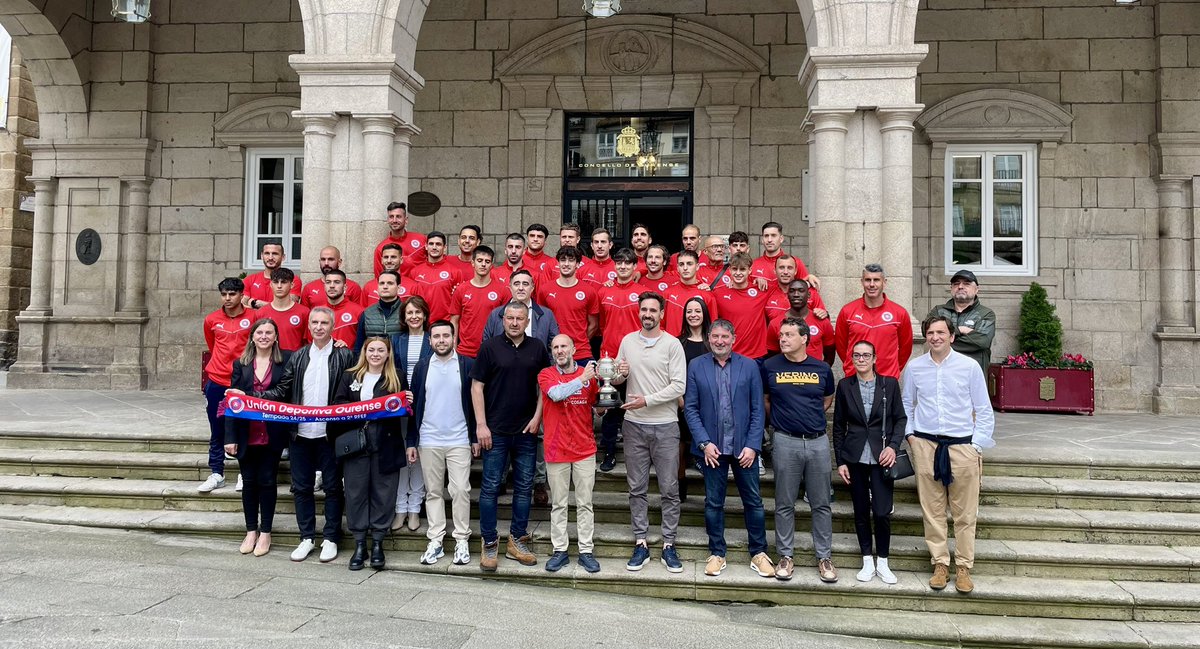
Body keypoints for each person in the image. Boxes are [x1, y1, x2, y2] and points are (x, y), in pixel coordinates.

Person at [244, 307, 355, 564]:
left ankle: (331, 538)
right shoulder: (299, 355)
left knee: (332, 488)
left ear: (332, 326)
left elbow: (352, 388)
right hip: (300, 433)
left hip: (330, 434)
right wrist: (252, 398)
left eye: (324, 323)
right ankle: (306, 537)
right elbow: (283, 389)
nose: (318, 327)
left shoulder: (345, 354)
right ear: (308, 326)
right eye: (314, 322)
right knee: (302, 488)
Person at [902, 315, 995, 594]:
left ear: (952, 336)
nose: (936, 337)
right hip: (926, 445)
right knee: (932, 510)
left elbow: (984, 408)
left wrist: (975, 445)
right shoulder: (915, 367)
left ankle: (964, 567)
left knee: (965, 513)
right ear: (925, 337)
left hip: (961, 446)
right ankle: (940, 563)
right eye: (930, 332)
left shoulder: (969, 367)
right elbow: (907, 403)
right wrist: (911, 436)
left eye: (941, 332)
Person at [683, 319, 773, 578]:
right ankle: (716, 553)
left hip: (744, 449)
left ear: (734, 338)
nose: (720, 341)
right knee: (713, 502)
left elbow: (758, 410)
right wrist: (703, 442)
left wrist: (753, 446)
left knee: (754, 501)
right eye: (715, 337)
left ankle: (759, 553)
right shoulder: (696, 365)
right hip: (712, 449)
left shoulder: (750, 366)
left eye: (725, 336)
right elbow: (690, 408)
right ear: (709, 338)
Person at [471, 302, 551, 571]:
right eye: (510, 318)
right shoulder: (490, 347)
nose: (514, 322)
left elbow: (544, 385)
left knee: (524, 488)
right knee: (491, 487)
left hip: (526, 431)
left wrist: (538, 417)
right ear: (502, 319)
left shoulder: (538, 348)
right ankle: (490, 541)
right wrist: (481, 425)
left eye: (520, 318)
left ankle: (517, 540)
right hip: (495, 431)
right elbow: (477, 387)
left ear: (527, 321)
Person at [613, 292, 687, 573]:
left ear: (662, 314)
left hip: (665, 425)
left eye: (652, 310)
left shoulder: (672, 345)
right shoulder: (627, 342)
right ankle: (641, 542)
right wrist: (619, 373)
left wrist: (648, 399)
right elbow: (618, 378)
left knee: (669, 488)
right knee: (636, 488)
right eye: (643, 309)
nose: (647, 314)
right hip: (633, 425)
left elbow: (678, 386)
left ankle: (669, 544)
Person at [763, 317, 837, 583]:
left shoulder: (821, 368)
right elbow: (766, 400)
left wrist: (809, 418)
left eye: (789, 335)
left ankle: (824, 557)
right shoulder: (770, 366)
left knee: (821, 503)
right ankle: (785, 555)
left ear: (804, 338)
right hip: (785, 440)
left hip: (817, 442)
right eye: (781, 335)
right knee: (784, 502)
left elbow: (827, 399)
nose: (783, 339)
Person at [832, 341, 907, 585]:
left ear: (875, 358)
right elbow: (839, 426)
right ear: (852, 359)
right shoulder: (845, 385)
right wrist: (840, 460)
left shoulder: (889, 384)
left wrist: (893, 447)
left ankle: (883, 561)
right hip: (854, 457)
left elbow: (900, 419)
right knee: (861, 510)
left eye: (866, 355)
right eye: (857, 355)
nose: (861, 359)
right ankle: (867, 559)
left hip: (881, 457)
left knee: (882, 511)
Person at [331, 336, 408, 570]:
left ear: (388, 354)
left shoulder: (397, 378)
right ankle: (359, 544)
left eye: (381, 350)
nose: (375, 354)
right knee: (355, 494)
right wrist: (361, 411)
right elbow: (338, 405)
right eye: (371, 349)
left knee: (383, 493)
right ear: (364, 352)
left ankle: (377, 543)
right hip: (356, 445)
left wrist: (408, 401)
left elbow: (404, 410)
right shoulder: (349, 375)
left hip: (385, 444)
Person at [408, 320, 479, 566]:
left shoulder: (467, 364)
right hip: (429, 439)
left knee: (460, 490)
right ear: (430, 340)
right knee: (433, 492)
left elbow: (475, 403)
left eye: (445, 336)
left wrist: (474, 437)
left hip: (459, 438)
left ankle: (461, 539)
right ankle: (436, 540)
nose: (441, 340)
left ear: (453, 337)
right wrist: (411, 441)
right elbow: (414, 406)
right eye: (436, 336)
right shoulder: (422, 366)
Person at [223, 318, 290, 556]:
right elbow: (233, 402)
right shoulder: (240, 365)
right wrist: (229, 437)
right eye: (259, 332)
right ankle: (251, 530)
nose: (264, 336)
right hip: (245, 432)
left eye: (268, 332)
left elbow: (283, 395)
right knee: (249, 483)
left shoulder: (286, 361)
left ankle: (266, 533)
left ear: (275, 337)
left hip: (272, 433)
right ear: (252, 336)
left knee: (267, 481)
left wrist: (249, 394)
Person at [537, 334, 602, 574]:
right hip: (556, 449)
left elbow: (596, 402)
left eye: (564, 346)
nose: (560, 350)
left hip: (584, 448)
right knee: (559, 504)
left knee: (585, 503)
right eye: (555, 347)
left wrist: (602, 407)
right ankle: (560, 551)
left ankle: (586, 551)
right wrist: (582, 378)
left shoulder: (589, 376)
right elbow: (555, 394)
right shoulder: (546, 374)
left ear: (574, 349)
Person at [200, 277, 253, 493]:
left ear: (241, 295)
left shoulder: (254, 316)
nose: (228, 298)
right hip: (217, 382)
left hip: (243, 382)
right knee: (217, 427)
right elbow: (212, 345)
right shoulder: (212, 319)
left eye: (232, 294)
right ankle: (216, 472)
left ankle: (244, 473)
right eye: (224, 294)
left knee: (244, 427)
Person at [595, 248, 646, 472]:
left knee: (638, 405)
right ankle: (609, 452)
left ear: (635, 267)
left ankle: (644, 452)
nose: (623, 267)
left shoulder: (642, 292)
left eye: (627, 263)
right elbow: (600, 324)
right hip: (610, 359)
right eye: (619, 263)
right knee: (611, 407)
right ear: (614, 266)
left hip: (638, 358)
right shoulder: (602, 292)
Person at [391, 295, 432, 531]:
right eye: (410, 313)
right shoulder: (397, 340)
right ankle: (400, 509)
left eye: (418, 312)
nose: (414, 317)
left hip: (425, 406)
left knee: (419, 458)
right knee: (402, 459)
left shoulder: (432, 339)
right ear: (404, 318)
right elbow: (392, 371)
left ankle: (415, 508)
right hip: (400, 407)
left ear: (425, 315)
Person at [836, 263, 914, 378]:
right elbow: (841, 346)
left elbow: (905, 348)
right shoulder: (847, 311)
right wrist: (854, 367)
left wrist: (892, 370)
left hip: (887, 378)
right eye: (868, 280)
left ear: (884, 282)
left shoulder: (899, 313)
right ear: (862, 282)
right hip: (854, 378)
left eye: (876, 280)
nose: (872, 284)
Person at [676, 296, 712, 500]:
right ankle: (680, 490)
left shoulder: (712, 342)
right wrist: (682, 401)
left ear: (704, 313)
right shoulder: (677, 342)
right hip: (681, 404)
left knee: (708, 446)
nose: (693, 315)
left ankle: (711, 491)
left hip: (707, 406)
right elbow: (672, 374)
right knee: (680, 449)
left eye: (697, 311)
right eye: (689, 311)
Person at [537, 246, 599, 366]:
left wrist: (578, 342)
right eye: (563, 260)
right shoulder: (545, 290)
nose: (566, 264)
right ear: (558, 263)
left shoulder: (589, 291)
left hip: (582, 353)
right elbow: (541, 321)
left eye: (571, 260)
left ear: (577, 264)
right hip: (554, 353)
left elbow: (594, 324)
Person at [926, 269, 996, 373]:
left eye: (966, 283)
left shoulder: (986, 314)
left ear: (977, 289)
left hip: (972, 373)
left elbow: (983, 342)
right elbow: (928, 334)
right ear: (951, 289)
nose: (960, 286)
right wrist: (961, 330)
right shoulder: (938, 311)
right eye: (956, 284)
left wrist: (945, 336)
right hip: (941, 371)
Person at [450, 245, 507, 359]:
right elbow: (454, 321)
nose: (483, 264)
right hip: (465, 352)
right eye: (479, 260)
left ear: (491, 265)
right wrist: (453, 349)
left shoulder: (502, 290)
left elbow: (507, 322)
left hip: (492, 352)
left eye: (487, 261)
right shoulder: (461, 289)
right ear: (472, 263)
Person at [714, 252, 772, 361]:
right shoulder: (718, 293)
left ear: (750, 270)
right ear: (730, 270)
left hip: (756, 356)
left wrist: (808, 279)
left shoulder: (762, 290)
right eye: (735, 269)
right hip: (729, 355)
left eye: (742, 269)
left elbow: (784, 287)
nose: (738, 273)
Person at [768, 279, 836, 365]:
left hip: (814, 375)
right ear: (787, 295)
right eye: (792, 291)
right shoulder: (775, 323)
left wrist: (820, 372)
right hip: (786, 376)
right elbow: (772, 356)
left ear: (808, 295)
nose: (796, 294)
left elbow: (830, 354)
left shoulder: (822, 321)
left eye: (801, 291)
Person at [407, 231, 463, 322]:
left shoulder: (455, 272)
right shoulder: (414, 272)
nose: (434, 247)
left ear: (444, 248)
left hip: (444, 325)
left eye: (438, 244)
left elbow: (458, 306)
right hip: (420, 324)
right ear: (426, 246)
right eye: (431, 244)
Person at [253, 267, 310, 352]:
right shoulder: (260, 313)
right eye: (276, 282)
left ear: (292, 285)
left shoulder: (304, 312)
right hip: (269, 363)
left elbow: (308, 343)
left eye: (283, 282)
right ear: (271, 284)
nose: (279, 286)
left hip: (295, 362)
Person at [663, 250, 719, 336]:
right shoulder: (667, 293)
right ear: (677, 267)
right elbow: (661, 324)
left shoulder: (707, 295)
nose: (685, 268)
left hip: (698, 346)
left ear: (697, 266)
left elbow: (713, 327)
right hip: (671, 346)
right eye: (681, 264)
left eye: (689, 264)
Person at [751, 222, 820, 289]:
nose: (769, 240)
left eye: (773, 235)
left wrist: (808, 279)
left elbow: (803, 289)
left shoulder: (796, 262)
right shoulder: (752, 265)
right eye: (766, 236)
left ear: (781, 239)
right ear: (762, 240)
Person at [373, 201, 426, 276]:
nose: (394, 220)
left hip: (421, 286)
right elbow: (379, 278)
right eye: (391, 217)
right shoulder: (380, 249)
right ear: (388, 220)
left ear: (406, 220)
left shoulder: (421, 239)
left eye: (398, 217)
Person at [242, 241, 302, 308]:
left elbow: (289, 306)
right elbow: (242, 306)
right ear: (262, 256)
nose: (270, 257)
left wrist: (257, 304)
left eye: (275, 254)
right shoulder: (249, 280)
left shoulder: (293, 279)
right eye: (267, 253)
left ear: (283, 257)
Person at [356, 270, 404, 352]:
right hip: (373, 361)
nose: (385, 286)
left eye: (390, 283)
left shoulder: (406, 311)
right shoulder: (367, 313)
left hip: (399, 362)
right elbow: (359, 344)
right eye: (382, 283)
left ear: (399, 288)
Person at [324, 270, 364, 349]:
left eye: (337, 282)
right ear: (324, 286)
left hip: (350, 359)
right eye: (328, 282)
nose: (332, 286)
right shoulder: (318, 312)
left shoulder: (359, 312)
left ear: (345, 287)